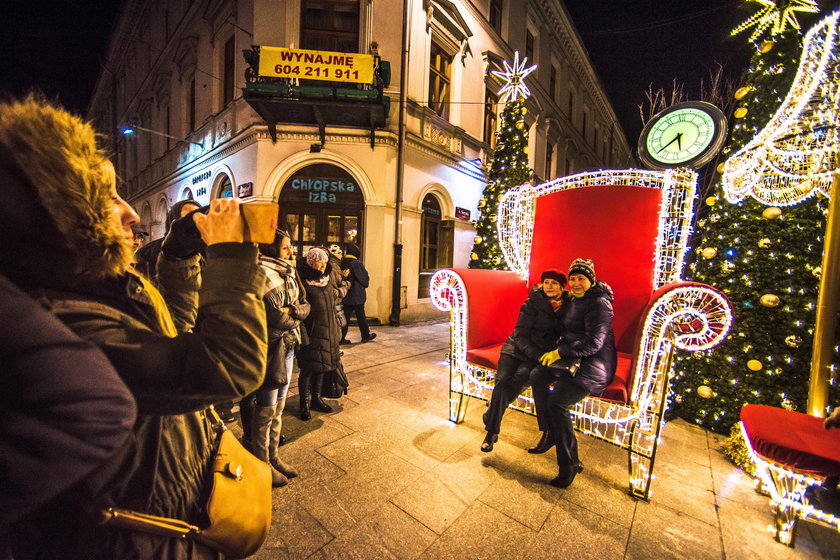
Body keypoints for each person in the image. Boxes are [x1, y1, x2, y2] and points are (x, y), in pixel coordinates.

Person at [0, 96, 268, 559]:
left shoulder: (96, 291)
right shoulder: (67, 320)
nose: (133, 214)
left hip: (179, 514)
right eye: (106, 196)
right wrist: (232, 255)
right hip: (149, 539)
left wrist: (182, 254)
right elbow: (229, 366)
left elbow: (174, 338)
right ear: (54, 216)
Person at [0, 274, 137, 555]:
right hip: (118, 518)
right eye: (126, 226)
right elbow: (96, 406)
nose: (131, 234)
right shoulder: (71, 294)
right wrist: (231, 250)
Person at [529, 258, 617, 489]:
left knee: (557, 404)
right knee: (537, 375)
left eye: (581, 278)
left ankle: (570, 464)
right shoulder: (575, 300)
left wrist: (561, 352)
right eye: (573, 279)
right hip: (572, 358)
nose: (576, 283)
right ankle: (549, 431)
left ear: (591, 280)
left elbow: (594, 343)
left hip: (594, 365)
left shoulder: (599, 303)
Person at [480, 269, 567, 452]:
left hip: (537, 354)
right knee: (503, 381)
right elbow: (520, 334)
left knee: (520, 378)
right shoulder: (532, 303)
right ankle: (491, 432)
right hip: (515, 348)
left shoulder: (567, 306)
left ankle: (491, 413)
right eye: (546, 282)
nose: (549, 286)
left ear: (561, 286)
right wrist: (536, 354)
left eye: (553, 283)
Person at [246, 229, 308, 487]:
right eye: (285, 248)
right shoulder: (262, 273)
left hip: (289, 343)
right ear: (272, 249)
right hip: (270, 347)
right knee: (266, 407)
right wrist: (295, 312)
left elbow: (306, 306)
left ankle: (274, 456)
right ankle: (262, 464)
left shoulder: (289, 273)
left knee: (280, 405)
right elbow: (276, 317)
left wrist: (292, 309)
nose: (290, 251)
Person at [296, 247, 342, 420]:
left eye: (325, 261)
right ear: (311, 261)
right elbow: (300, 308)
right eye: (319, 260)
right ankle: (304, 404)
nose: (323, 265)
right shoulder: (302, 280)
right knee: (307, 369)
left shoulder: (328, 279)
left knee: (323, 367)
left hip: (328, 330)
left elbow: (336, 297)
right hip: (312, 332)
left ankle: (316, 398)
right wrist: (304, 336)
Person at [134, 198, 201, 278]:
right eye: (188, 217)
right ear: (173, 221)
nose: (195, 222)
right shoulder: (147, 253)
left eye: (200, 217)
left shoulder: (208, 252)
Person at [340, 242, 376, 343]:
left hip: (346, 295)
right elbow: (364, 279)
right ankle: (365, 335)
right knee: (361, 317)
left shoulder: (343, 262)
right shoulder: (356, 263)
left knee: (345, 318)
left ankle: (341, 338)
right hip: (357, 295)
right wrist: (365, 283)